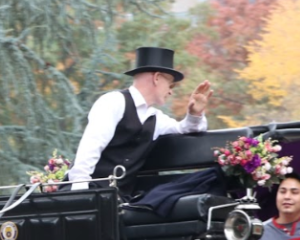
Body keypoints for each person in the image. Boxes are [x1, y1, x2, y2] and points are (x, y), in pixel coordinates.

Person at [68, 47, 213, 189]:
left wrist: (194, 113)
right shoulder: (113, 102)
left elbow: (185, 129)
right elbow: (92, 146)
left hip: (120, 199)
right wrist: (80, 189)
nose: (170, 92)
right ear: (156, 78)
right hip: (91, 191)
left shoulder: (156, 118)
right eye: (170, 85)